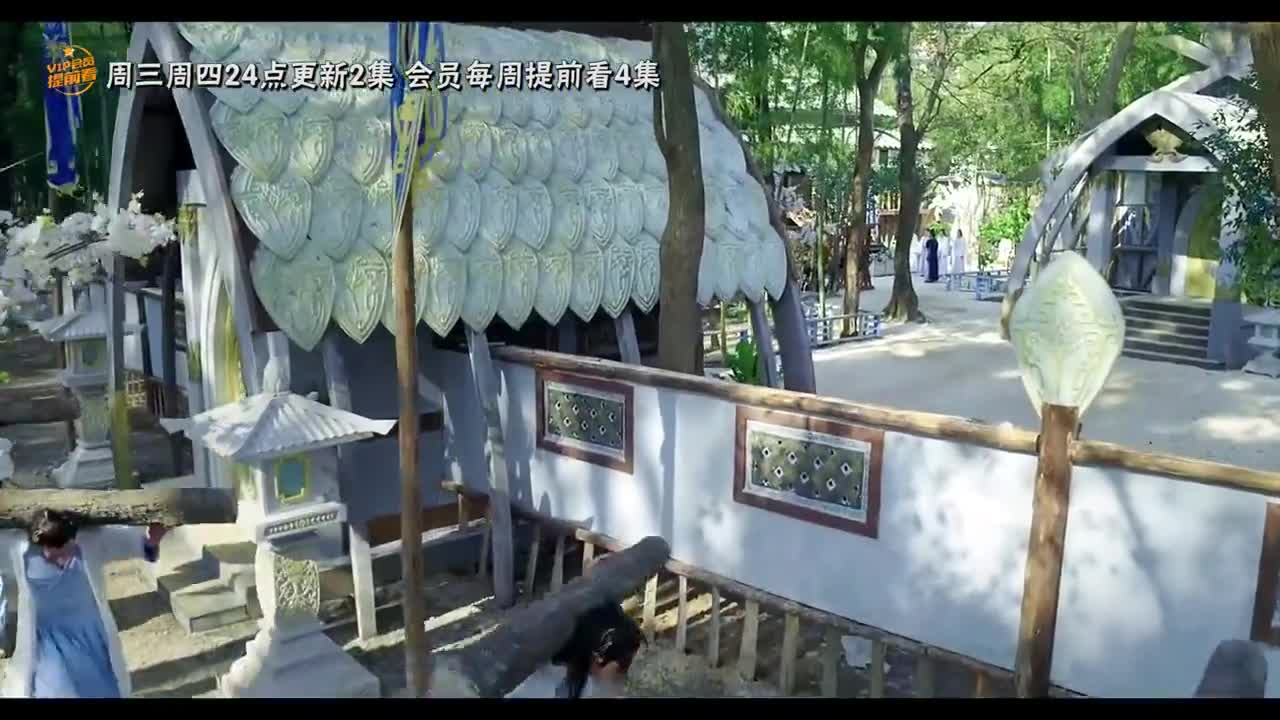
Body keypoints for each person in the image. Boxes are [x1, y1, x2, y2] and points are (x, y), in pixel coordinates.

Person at [0, 510, 166, 698]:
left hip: (92, 638)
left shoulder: (90, 541)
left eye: (59, 549)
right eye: (45, 549)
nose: (50, 555)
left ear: (72, 539)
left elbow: (135, 544)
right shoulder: (19, 548)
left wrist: (151, 540)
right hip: (49, 641)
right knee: (56, 688)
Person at [506, 601, 645, 698]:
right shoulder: (540, 685)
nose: (624, 676)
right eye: (624, 665)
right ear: (599, 657)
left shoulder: (582, 669)